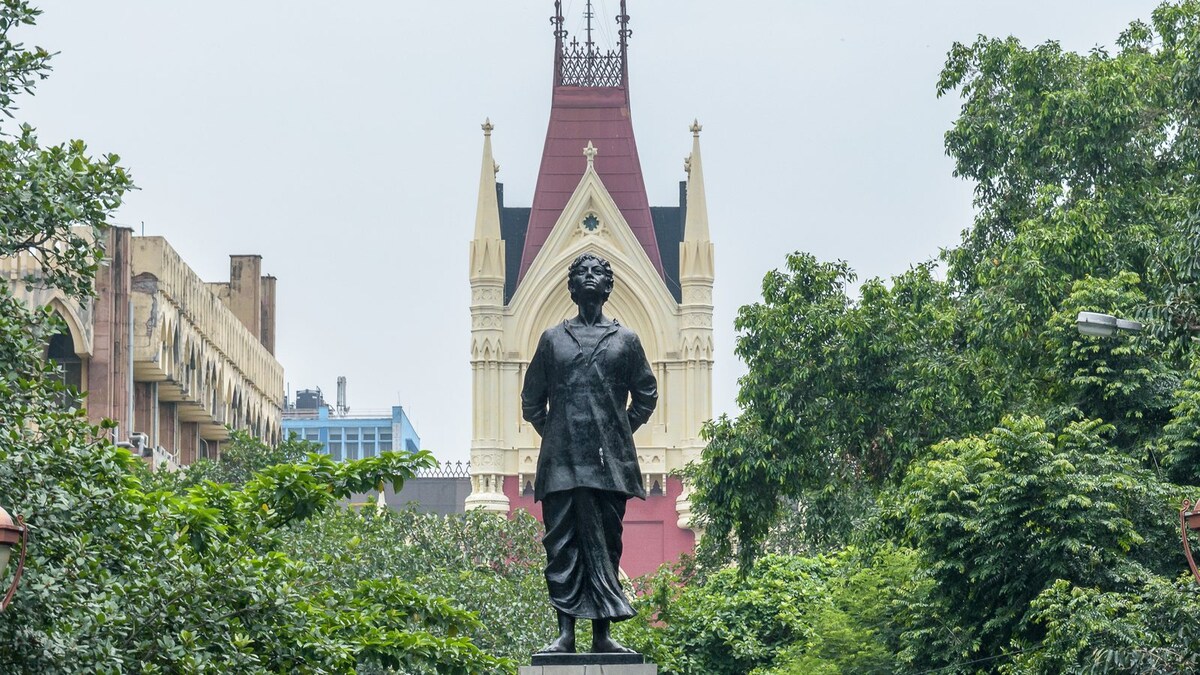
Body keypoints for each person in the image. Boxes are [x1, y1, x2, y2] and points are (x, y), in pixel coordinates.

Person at [521, 252, 658, 654]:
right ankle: (565, 635)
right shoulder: (552, 340)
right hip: (561, 469)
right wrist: (562, 437)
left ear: (609, 285)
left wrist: (615, 436)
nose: (589, 276)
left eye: (597, 271)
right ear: (572, 286)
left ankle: (602, 637)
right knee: (563, 546)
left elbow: (646, 397)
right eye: (581, 272)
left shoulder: (626, 341)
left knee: (606, 545)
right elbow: (532, 402)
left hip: (607, 469)